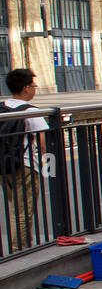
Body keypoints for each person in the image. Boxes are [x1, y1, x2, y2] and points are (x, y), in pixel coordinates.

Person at [1, 68, 49, 251]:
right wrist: (45, 164)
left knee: (16, 207)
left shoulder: (4, 107)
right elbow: (43, 144)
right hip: (26, 165)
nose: (35, 89)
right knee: (23, 211)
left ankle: (21, 245)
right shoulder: (30, 111)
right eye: (34, 86)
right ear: (26, 88)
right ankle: (19, 249)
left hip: (5, 166)